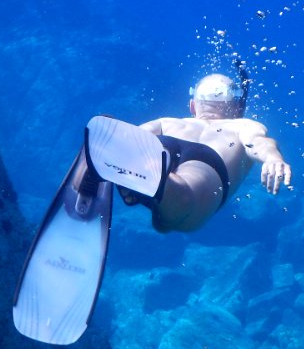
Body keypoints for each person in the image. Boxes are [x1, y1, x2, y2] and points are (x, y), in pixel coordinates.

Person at [118, 70, 292, 233]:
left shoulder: (168, 122)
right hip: (206, 160)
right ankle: (164, 178)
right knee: (183, 202)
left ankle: (148, 166)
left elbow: (132, 137)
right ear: (238, 108)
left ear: (192, 106)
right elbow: (258, 143)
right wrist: (273, 158)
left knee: (129, 144)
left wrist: (119, 143)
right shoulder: (244, 125)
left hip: (164, 141)